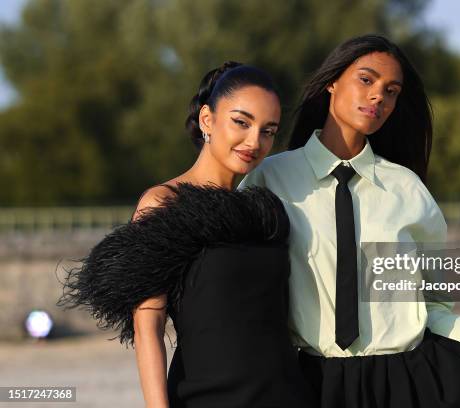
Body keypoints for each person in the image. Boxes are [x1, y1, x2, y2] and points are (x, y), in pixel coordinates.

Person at [240, 34, 460, 407]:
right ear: (332, 80)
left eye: (391, 91)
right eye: (367, 80)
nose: (379, 96)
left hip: (405, 380)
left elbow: (436, 296)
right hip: (311, 381)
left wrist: (458, 364)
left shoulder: (407, 189)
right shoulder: (269, 179)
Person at [58, 62, 315, 408]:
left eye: (268, 131)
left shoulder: (264, 211)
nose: (255, 141)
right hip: (206, 397)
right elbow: (148, 326)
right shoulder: (165, 202)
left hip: (285, 396)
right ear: (207, 120)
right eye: (241, 122)